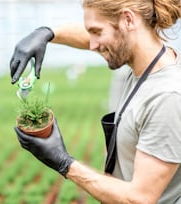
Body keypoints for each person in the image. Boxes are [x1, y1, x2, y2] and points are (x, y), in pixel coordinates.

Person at [10, 0, 181, 203]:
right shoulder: (144, 63)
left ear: (128, 20)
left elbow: (139, 199)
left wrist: (64, 163)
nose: (92, 45)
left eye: (97, 32)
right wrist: (46, 33)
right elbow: (98, 36)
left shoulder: (166, 97)